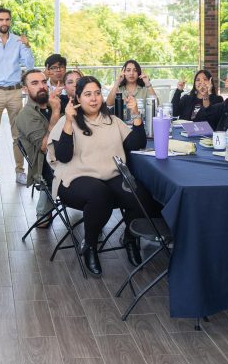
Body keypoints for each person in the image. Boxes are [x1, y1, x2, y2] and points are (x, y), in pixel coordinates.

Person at [48, 76, 156, 276]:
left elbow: (136, 144)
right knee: (100, 194)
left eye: (97, 93)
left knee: (140, 196)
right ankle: (90, 245)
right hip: (74, 178)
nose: (94, 98)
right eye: (88, 94)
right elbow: (63, 156)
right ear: (78, 98)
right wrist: (69, 121)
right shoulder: (67, 120)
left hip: (110, 175)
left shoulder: (112, 121)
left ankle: (130, 238)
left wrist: (135, 114)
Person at [0, 7, 35, 186]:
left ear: (10, 21)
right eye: (1, 20)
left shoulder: (19, 41)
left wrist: (27, 46)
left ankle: (20, 171)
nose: (4, 23)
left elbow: (30, 65)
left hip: (15, 91)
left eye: (7, 19)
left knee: (18, 134)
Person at [14, 69, 61, 227]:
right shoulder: (25, 115)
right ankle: (43, 212)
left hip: (67, 155)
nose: (41, 86)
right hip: (48, 166)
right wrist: (56, 114)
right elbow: (44, 147)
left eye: (43, 82)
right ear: (25, 89)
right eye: (34, 83)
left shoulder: (52, 103)